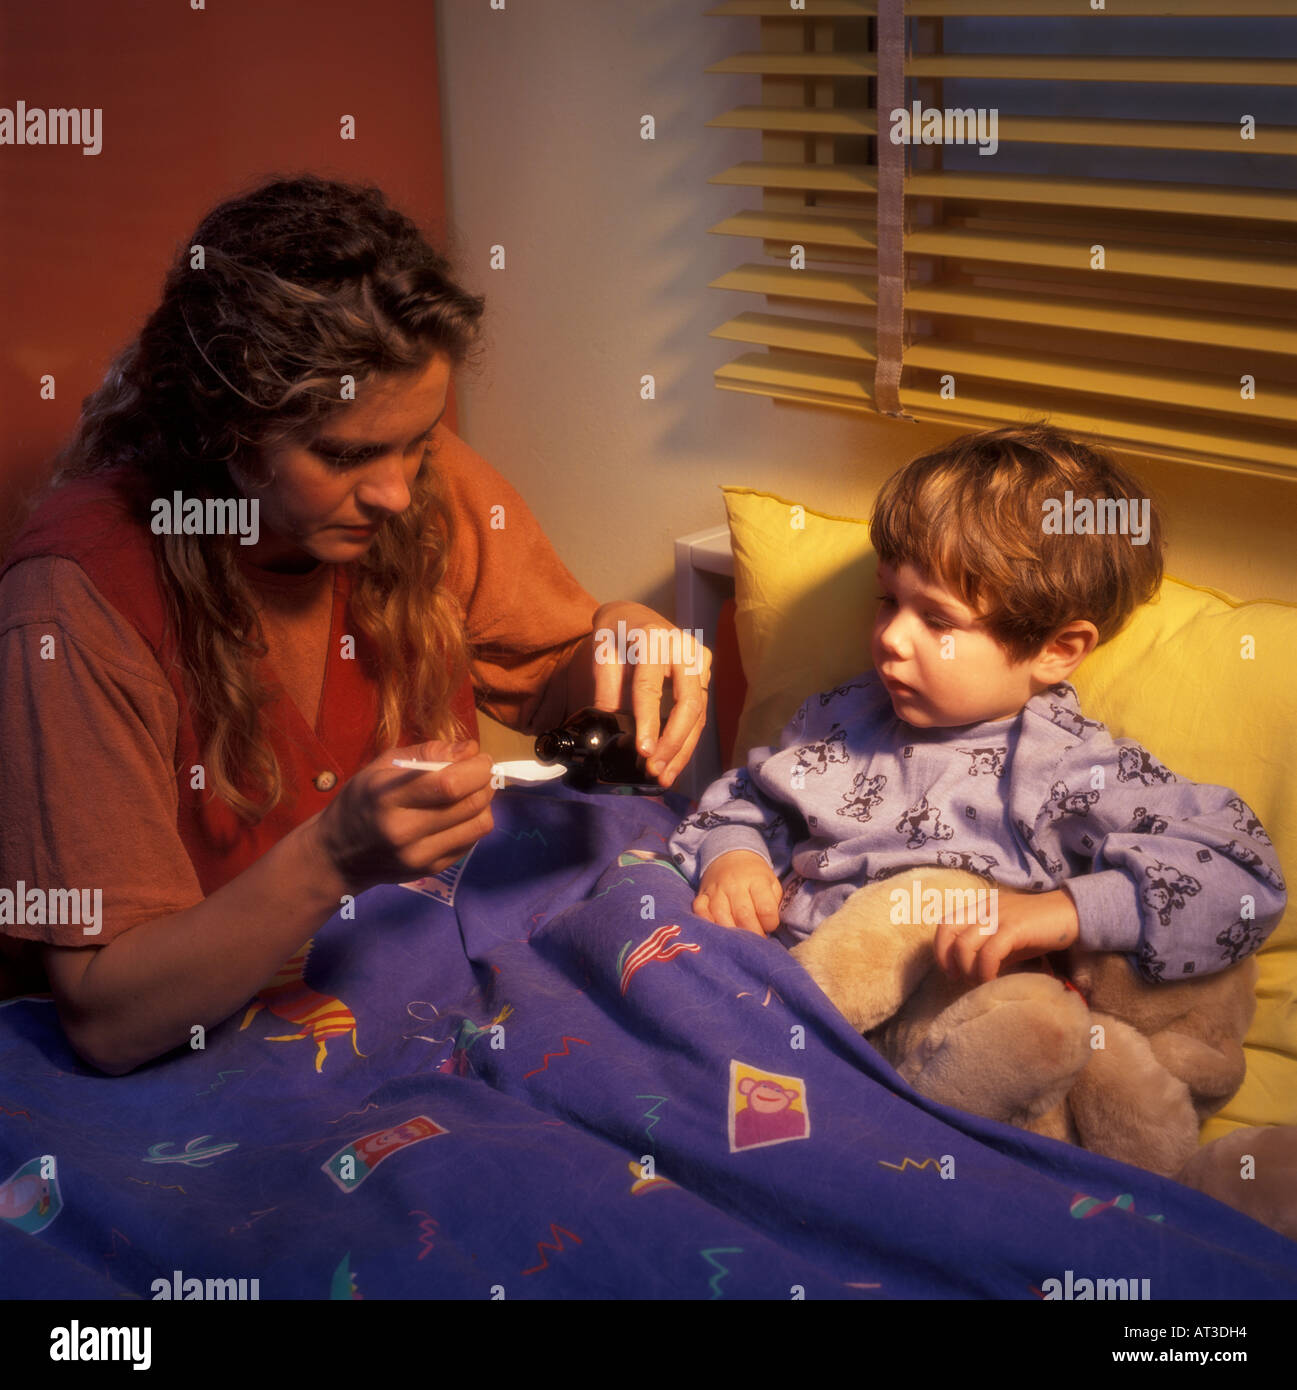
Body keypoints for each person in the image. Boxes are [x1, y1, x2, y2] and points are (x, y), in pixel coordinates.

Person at [0, 175, 709, 1074]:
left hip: (419, 966)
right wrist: (331, 857)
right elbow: (110, 1022)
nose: (398, 493)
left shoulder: (417, 480)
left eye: (419, 441)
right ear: (222, 431)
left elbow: (556, 679)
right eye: (343, 455)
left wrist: (622, 638)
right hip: (212, 1037)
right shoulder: (73, 601)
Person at [668, 424, 1285, 984]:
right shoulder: (841, 714)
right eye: (888, 600)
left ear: (1057, 649)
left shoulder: (1070, 766)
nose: (891, 637)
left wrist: (1066, 912)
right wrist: (734, 858)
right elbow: (744, 799)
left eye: (937, 620)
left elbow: (1245, 879)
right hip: (772, 979)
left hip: (928, 1027)